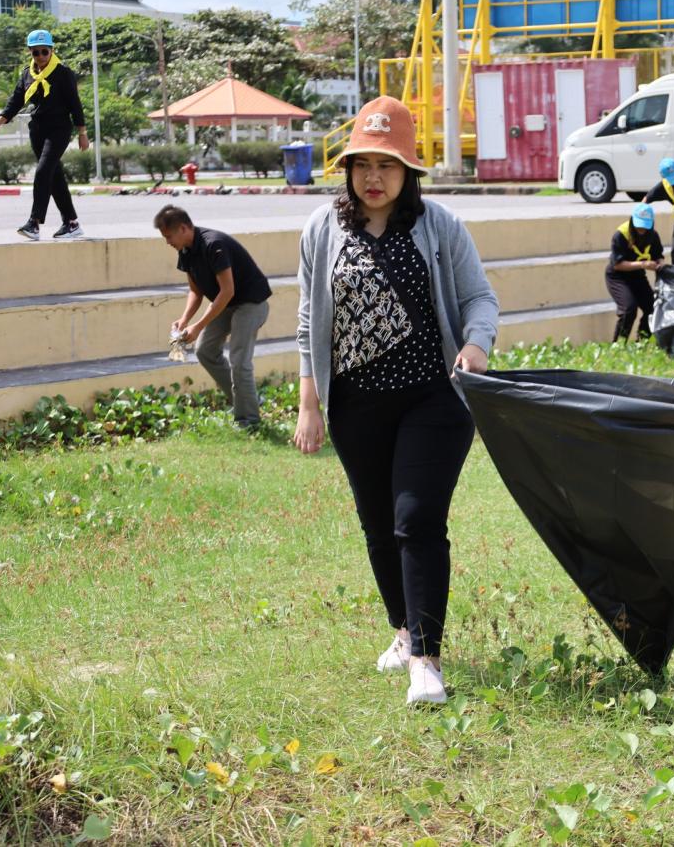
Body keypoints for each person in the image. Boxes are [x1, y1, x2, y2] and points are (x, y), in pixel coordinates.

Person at [291, 95, 499, 707]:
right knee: (379, 527)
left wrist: (476, 345)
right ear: (348, 169)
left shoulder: (438, 226)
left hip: (432, 399)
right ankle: (404, 632)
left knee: (417, 521)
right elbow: (309, 321)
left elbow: (480, 298)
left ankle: (427, 662)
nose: (373, 178)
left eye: (387, 165)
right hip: (355, 403)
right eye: (362, 165)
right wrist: (309, 403)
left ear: (408, 171)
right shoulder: (321, 230)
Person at [155, 205, 273, 429]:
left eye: (169, 236)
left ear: (183, 228)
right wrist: (184, 320)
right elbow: (196, 291)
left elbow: (227, 290)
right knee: (205, 350)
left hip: (251, 303)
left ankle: (248, 421)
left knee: (239, 360)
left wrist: (198, 326)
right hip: (228, 303)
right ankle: (246, 402)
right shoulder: (185, 251)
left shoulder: (213, 244)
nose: (167, 242)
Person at [0, 30, 88, 241]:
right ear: (30, 52)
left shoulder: (63, 73)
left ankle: (34, 223)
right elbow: (15, 102)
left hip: (59, 129)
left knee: (43, 171)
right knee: (54, 176)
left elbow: (75, 104)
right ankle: (71, 223)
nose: (41, 56)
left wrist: (82, 133)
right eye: (36, 52)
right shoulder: (27, 74)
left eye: (44, 51)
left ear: (52, 50)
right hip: (38, 130)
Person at [605, 203, 663, 342]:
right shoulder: (621, 235)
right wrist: (643, 264)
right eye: (639, 225)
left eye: (645, 225)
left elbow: (658, 255)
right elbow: (617, 264)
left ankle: (641, 342)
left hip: (637, 275)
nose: (642, 229)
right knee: (629, 309)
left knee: (652, 308)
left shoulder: (653, 235)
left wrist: (660, 264)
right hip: (617, 276)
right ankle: (618, 345)